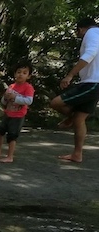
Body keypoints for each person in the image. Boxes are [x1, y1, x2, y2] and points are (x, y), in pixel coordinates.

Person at [49, 16, 99, 163]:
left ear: (81, 29)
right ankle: (77, 154)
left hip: (92, 82)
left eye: (78, 33)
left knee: (55, 103)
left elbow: (90, 54)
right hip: (92, 82)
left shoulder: (91, 33)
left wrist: (70, 75)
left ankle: (70, 118)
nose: (79, 37)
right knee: (79, 119)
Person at [0, 62, 35, 163]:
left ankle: (10, 156)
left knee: (12, 136)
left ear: (28, 76)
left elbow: (29, 101)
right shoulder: (11, 86)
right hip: (8, 113)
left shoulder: (28, 87)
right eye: (19, 72)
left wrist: (16, 98)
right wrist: (5, 97)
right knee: (0, 132)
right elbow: (4, 101)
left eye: (24, 73)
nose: (21, 74)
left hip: (18, 116)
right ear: (15, 74)